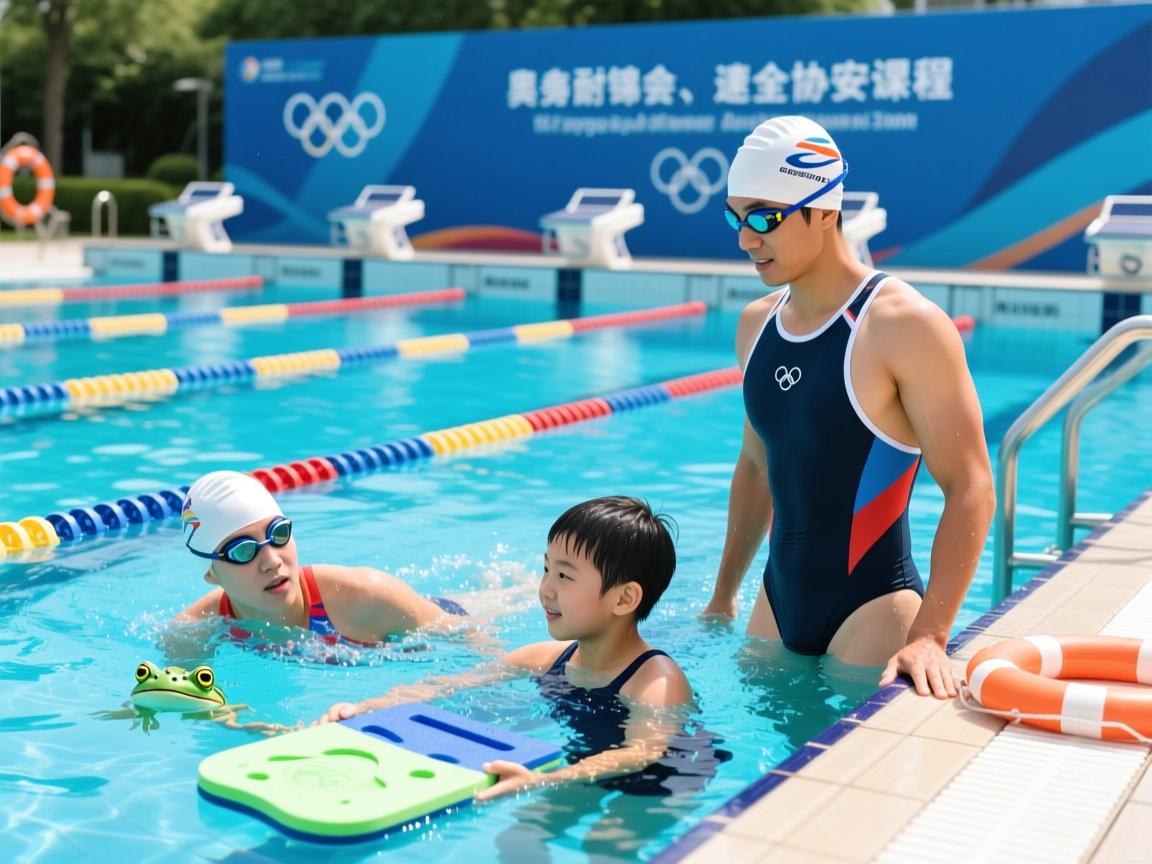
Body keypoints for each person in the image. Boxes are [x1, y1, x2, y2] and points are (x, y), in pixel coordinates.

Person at [702, 115, 995, 699]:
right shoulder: (757, 325)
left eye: (764, 218)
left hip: (873, 610)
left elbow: (971, 484)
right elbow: (757, 465)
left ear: (824, 210)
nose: (745, 239)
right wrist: (723, 595)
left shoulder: (902, 325)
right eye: (735, 218)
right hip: (776, 604)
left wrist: (930, 635)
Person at [317, 496, 719, 801]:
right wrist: (366, 707)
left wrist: (543, 779)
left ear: (624, 598)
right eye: (546, 569)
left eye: (565, 576)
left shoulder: (656, 682)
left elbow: (641, 752)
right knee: (525, 833)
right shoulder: (543, 659)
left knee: (605, 843)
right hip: (584, 763)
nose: (545, 589)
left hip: (665, 777)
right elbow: (447, 686)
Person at [175, 470, 509, 645]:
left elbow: (474, 641)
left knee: (504, 602)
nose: (272, 561)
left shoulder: (366, 595)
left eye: (279, 534)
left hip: (438, 618)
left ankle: (503, 586)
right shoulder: (193, 631)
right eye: (243, 550)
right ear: (211, 573)